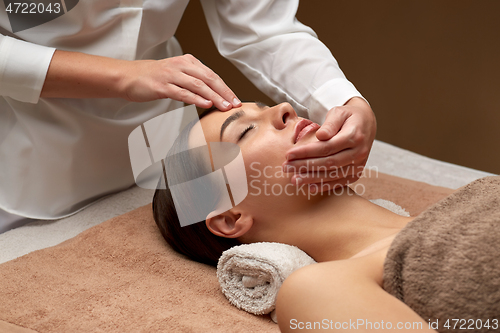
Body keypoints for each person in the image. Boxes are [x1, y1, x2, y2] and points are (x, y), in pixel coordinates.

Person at [0, 0, 376, 232]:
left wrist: (342, 99)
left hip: (157, 154)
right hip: (20, 157)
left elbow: (264, 28)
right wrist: (123, 75)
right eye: (242, 131)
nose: (286, 108)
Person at [153, 102, 500, 333]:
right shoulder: (316, 289)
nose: (284, 107)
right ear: (230, 218)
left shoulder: (474, 195)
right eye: (244, 131)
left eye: (264, 107)